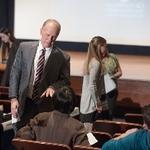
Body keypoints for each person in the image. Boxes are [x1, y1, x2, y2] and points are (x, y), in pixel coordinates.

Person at [9, 19, 70, 132]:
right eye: (47, 35)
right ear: (41, 31)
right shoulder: (24, 47)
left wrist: (53, 87)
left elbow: (65, 80)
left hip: (45, 106)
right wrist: (13, 99)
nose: (50, 39)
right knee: (21, 138)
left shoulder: (63, 57)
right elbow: (15, 73)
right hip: (24, 102)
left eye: (54, 37)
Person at [15, 86, 90, 149]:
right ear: (73, 106)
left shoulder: (40, 117)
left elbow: (20, 138)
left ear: (53, 102)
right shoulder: (77, 126)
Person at [80, 36, 106, 132]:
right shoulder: (96, 63)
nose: (106, 49)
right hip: (90, 105)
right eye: (105, 46)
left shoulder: (89, 60)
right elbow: (92, 85)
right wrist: (98, 103)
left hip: (85, 104)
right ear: (100, 47)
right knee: (89, 136)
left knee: (87, 134)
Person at [99, 37, 122, 120]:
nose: (105, 48)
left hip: (111, 90)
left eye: (106, 47)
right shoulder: (95, 60)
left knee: (110, 112)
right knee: (100, 113)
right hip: (100, 91)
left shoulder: (112, 57)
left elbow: (120, 72)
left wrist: (112, 76)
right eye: (103, 47)